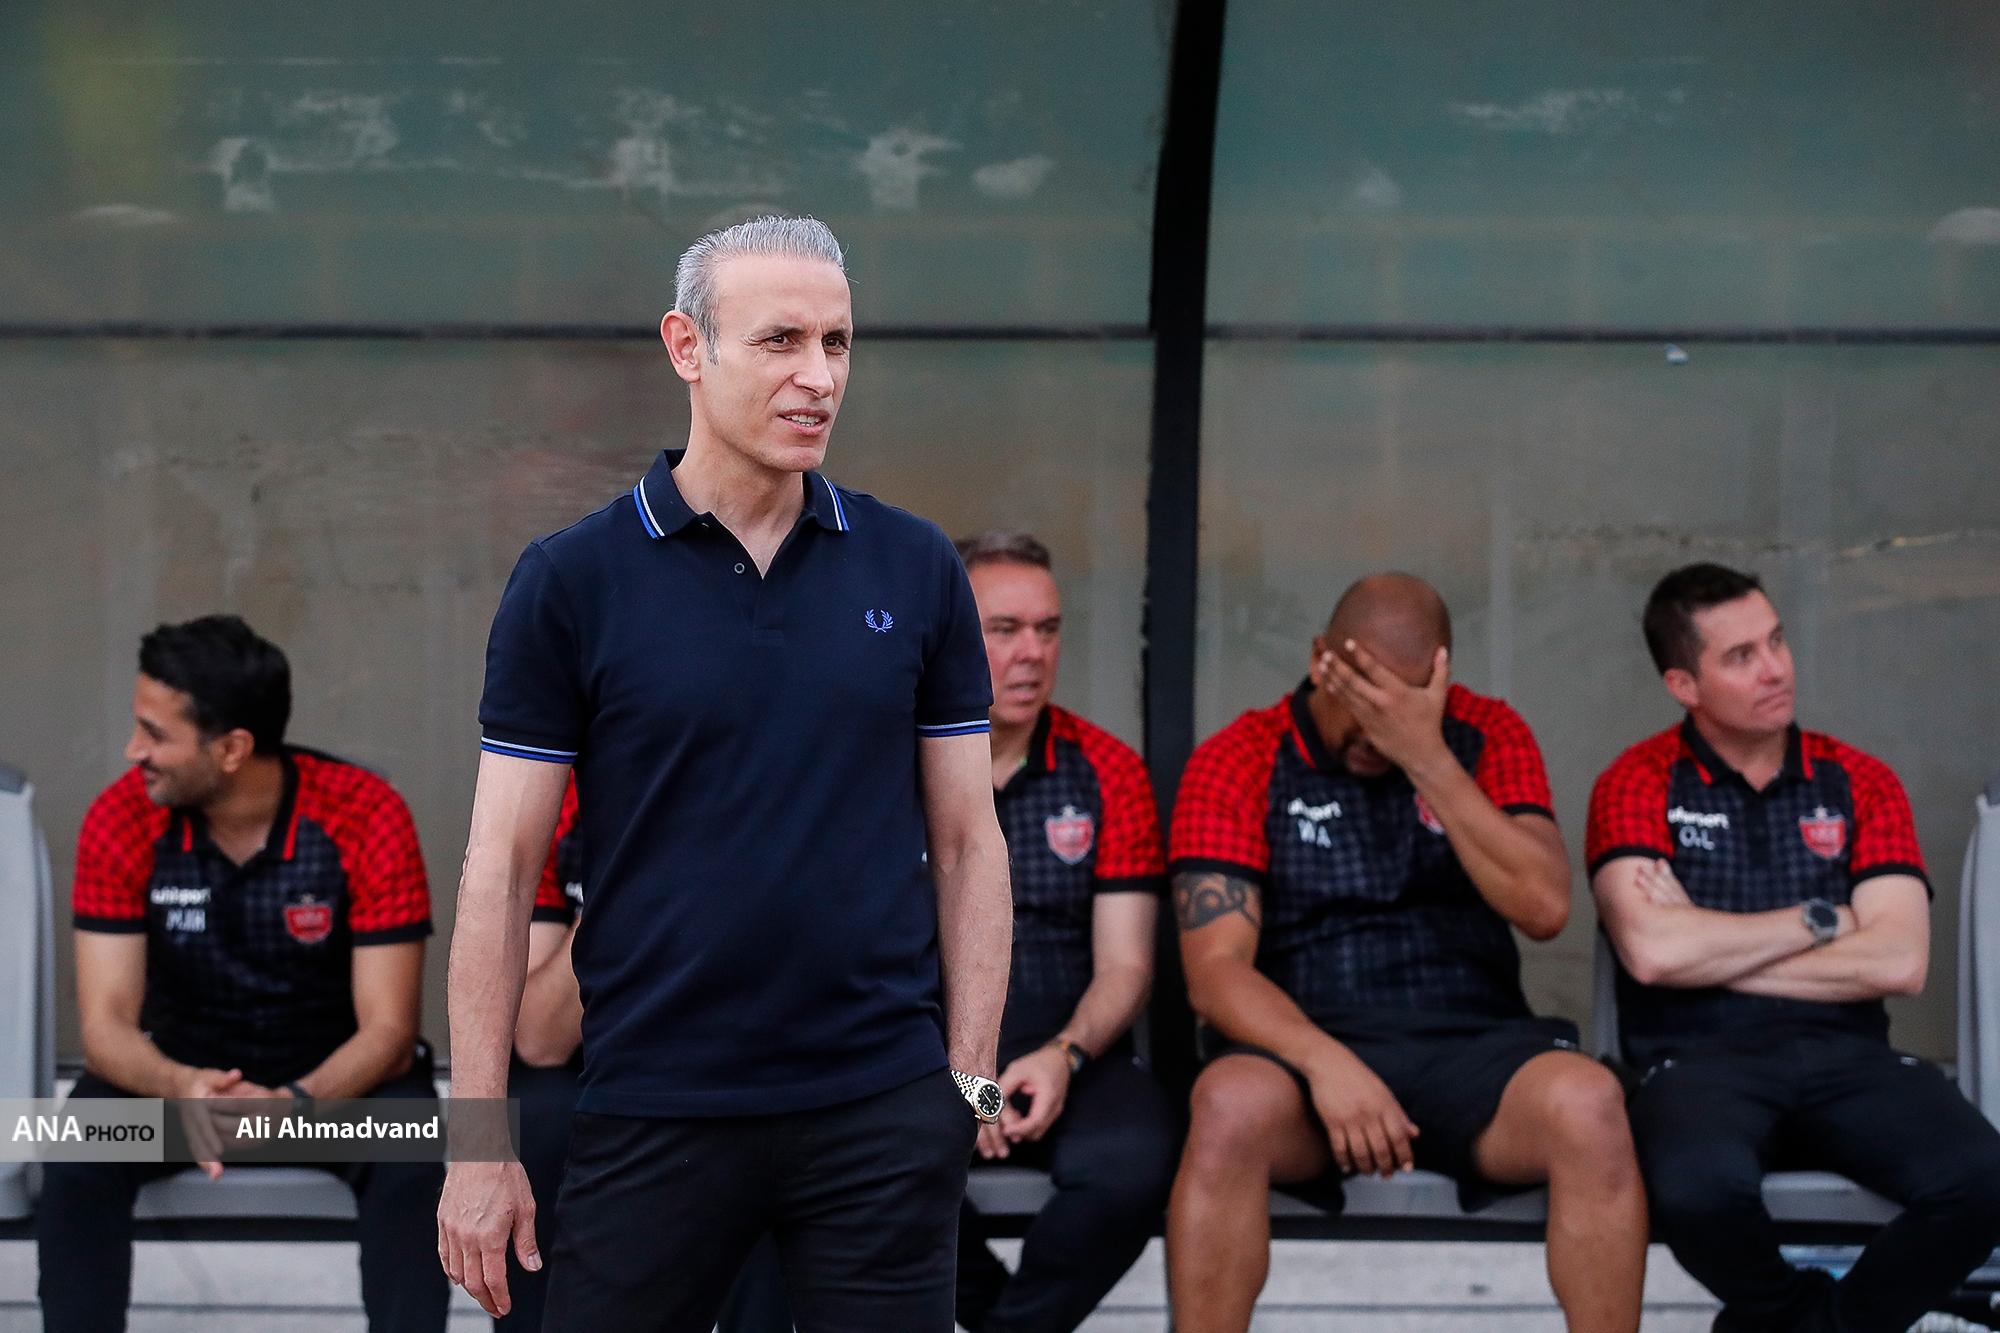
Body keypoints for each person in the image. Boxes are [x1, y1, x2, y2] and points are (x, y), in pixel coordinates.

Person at [437, 215, 1013, 1332]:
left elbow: (965, 842)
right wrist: (477, 1139)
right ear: (686, 347)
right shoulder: (573, 580)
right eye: (781, 340)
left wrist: (968, 1085)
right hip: (655, 1103)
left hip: (879, 1108)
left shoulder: (914, 564)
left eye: (837, 343)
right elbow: (499, 870)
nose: (819, 377)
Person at [1166, 573, 1646, 1333]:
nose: (1378, 729)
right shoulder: (1242, 754)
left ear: (1441, 679)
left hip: (1471, 1037)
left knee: (1591, 1106)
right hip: (1305, 1044)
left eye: (1407, 701)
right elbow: (1215, 971)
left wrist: (1426, 755)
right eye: (1364, 700)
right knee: (1227, 1107)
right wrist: (1326, 1062)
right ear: (1322, 660)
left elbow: (1545, 908)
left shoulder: (1486, 733)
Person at [1587, 562, 2000, 1333]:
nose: (1776, 668)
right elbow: (1653, 954)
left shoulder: (1861, 780)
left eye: (1776, 640)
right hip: (1696, 1062)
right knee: (1697, 1190)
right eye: (1741, 655)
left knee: (1984, 1178)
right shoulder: (1637, 781)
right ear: (1684, 684)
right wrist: (1823, 917)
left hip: (1849, 1056)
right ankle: (1804, 1318)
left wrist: (1708, 941)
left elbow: (1899, 961)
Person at [38, 614, 446, 1333]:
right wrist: (183, 1086)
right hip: (178, 1078)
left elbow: (388, 1030)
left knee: (414, 1165)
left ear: (231, 748)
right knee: (76, 1155)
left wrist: (293, 1103)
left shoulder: (366, 814)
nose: (134, 751)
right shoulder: (122, 817)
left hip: (335, 1083)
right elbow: (105, 1026)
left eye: (154, 733)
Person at [952, 531, 1179, 1333]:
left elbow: (1126, 964)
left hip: (1070, 1045)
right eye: (1004, 629)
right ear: (948, 630)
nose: (1032, 652)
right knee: (871, 1161)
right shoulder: (890, 762)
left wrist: (1064, 1054)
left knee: (1133, 1165)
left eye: (1047, 629)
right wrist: (967, 1075)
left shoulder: (1106, 768)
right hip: (927, 1048)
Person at [501, 779, 793, 1333]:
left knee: (756, 1127)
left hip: (737, 1063)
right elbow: (537, 1039)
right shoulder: (558, 797)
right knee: (511, 1121)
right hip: (577, 1066)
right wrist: (630, 872)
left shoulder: (762, 788)